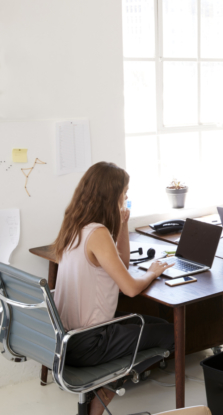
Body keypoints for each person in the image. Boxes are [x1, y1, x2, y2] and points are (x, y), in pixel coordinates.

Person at [52, 162, 175, 415]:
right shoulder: (97, 233)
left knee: (154, 324)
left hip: (64, 340)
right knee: (173, 335)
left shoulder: (74, 225)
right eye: (125, 191)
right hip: (90, 342)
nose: (127, 197)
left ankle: (100, 393)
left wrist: (121, 226)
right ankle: (103, 395)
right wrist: (152, 272)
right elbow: (129, 288)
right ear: (111, 195)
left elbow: (121, 265)